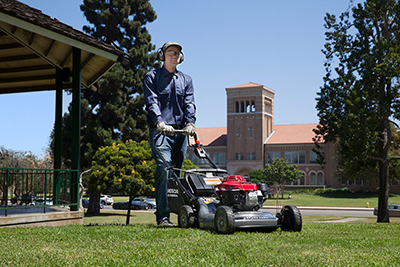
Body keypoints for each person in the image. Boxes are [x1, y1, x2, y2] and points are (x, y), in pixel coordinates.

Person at [143, 41, 196, 227]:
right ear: (162, 55)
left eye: (177, 53)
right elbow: (152, 102)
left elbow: (189, 103)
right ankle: (163, 217)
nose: (174, 55)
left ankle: (182, 214)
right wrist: (159, 121)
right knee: (164, 170)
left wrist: (191, 122)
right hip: (160, 132)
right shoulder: (152, 77)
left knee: (176, 175)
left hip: (180, 132)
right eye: (171, 52)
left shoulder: (186, 80)